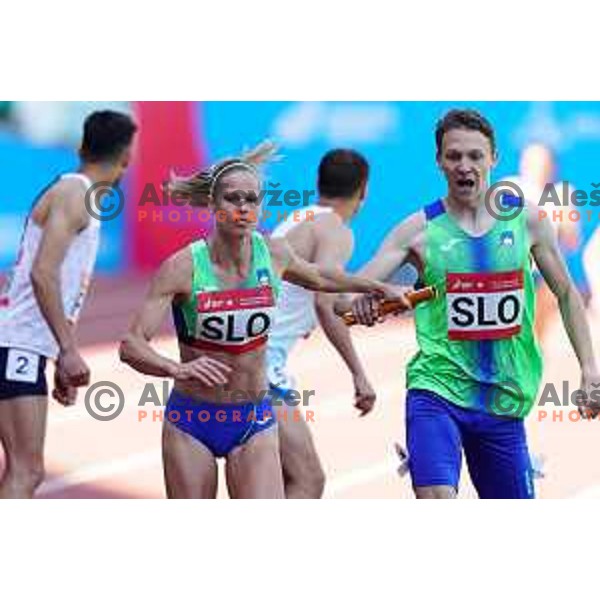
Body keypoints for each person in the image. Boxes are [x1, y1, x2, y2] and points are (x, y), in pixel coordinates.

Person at [119, 142, 407, 499]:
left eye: (251, 200)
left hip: (253, 416)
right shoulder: (183, 267)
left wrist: (379, 287)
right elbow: (131, 345)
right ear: (213, 205)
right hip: (193, 418)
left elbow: (321, 278)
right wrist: (176, 369)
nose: (242, 208)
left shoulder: (273, 253)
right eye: (232, 199)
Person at [337, 109, 600, 499]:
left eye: (475, 156)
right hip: (436, 392)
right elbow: (354, 292)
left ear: (493, 158)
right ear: (439, 161)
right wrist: (359, 302)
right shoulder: (417, 231)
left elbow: (564, 292)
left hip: (503, 402)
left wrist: (589, 368)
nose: (465, 166)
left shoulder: (528, 222)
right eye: (454, 156)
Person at [0, 110, 137, 498]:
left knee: (26, 470)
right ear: (126, 156)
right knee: (25, 471)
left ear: (82, 147)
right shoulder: (75, 194)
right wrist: (67, 350)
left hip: (21, 345)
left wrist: (57, 352)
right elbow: (43, 274)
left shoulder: (76, 194)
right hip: (15, 345)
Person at [266, 149, 375, 499]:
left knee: (273, 484)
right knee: (309, 480)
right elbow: (324, 301)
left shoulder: (299, 219)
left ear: (319, 184)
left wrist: (361, 308)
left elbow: (321, 297)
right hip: (262, 367)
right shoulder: (336, 230)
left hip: (241, 355)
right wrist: (359, 374)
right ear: (364, 192)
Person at [504, 143, 589, 343]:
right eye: (531, 161)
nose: (536, 167)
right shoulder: (510, 187)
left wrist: (565, 222)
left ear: (552, 167)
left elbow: (572, 241)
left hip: (545, 274)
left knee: (534, 334)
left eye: (542, 162)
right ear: (523, 164)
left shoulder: (561, 193)